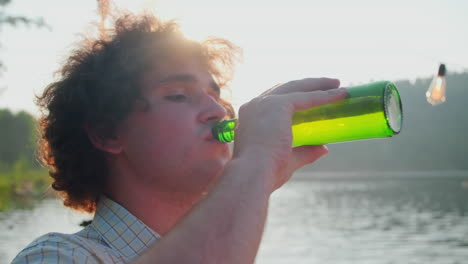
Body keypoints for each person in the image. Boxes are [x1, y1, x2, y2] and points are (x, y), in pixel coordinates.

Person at [12, 12, 347, 264]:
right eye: (178, 95)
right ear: (107, 132)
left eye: (216, 95)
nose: (218, 111)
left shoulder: (231, 244)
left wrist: (255, 174)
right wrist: (256, 164)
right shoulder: (55, 257)